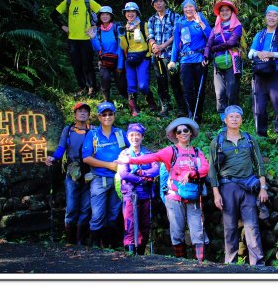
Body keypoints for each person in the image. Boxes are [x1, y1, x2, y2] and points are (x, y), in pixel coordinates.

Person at [115, 117, 209, 262]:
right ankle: (181, 264)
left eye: (186, 130)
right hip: (174, 197)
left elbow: (205, 168)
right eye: (179, 131)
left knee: (198, 231)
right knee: (177, 232)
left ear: (190, 133)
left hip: (193, 197)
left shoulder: (197, 152)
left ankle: (201, 265)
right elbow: (152, 157)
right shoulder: (171, 151)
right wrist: (131, 160)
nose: (183, 133)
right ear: (175, 135)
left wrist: (190, 174)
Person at [208, 105, 268, 266]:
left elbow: (259, 164)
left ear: (242, 120)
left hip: (248, 186)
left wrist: (263, 188)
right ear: (225, 120)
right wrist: (216, 194)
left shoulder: (248, 139)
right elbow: (212, 170)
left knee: (252, 225)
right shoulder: (218, 141)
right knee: (229, 227)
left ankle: (258, 263)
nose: (234, 119)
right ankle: (230, 263)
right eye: (231, 117)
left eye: (237, 117)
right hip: (227, 187)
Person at [45, 102, 95, 245]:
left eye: (86, 111)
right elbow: (61, 148)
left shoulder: (93, 130)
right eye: (80, 111)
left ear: (89, 115)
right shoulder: (68, 130)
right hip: (72, 171)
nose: (83, 113)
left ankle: (80, 240)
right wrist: (53, 158)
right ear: (74, 114)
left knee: (86, 207)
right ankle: (70, 240)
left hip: (89, 171)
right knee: (72, 206)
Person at [81, 101, 129, 247]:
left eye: (110, 114)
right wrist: (108, 165)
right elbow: (86, 158)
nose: (107, 117)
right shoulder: (92, 135)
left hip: (118, 179)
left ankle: (110, 246)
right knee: (98, 215)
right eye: (104, 114)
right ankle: (95, 246)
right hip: (98, 179)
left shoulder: (121, 133)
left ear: (114, 115)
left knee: (114, 214)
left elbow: (133, 150)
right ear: (99, 117)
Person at [248, 5, 278, 149]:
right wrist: (259, 54)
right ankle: (261, 138)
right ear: (265, 17)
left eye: (275, 15)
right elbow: (250, 54)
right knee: (259, 108)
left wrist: (271, 54)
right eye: (269, 14)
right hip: (260, 76)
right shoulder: (259, 35)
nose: (271, 17)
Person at [52, 0, 101, 98]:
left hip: (86, 39)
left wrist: (95, 26)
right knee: (76, 65)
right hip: (72, 39)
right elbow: (53, 15)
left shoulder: (88, 2)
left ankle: (92, 88)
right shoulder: (67, 2)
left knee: (88, 64)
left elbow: (104, 14)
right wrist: (62, 26)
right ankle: (82, 87)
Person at [117, 123, 159, 254]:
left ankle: (141, 252)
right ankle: (130, 251)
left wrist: (141, 173)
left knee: (145, 225)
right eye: (131, 135)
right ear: (127, 136)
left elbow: (156, 169)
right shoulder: (124, 153)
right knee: (130, 223)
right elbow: (123, 173)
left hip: (146, 194)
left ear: (142, 136)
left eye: (137, 135)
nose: (134, 137)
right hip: (130, 194)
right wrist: (141, 179)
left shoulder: (148, 153)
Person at [168, 0, 212, 123]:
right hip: (185, 60)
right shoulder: (180, 22)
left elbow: (210, 36)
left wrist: (200, 23)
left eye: (191, 7)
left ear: (195, 8)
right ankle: (190, 114)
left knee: (200, 89)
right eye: (186, 7)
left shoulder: (201, 18)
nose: (188, 9)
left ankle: (198, 116)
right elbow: (176, 43)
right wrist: (173, 60)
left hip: (200, 60)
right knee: (187, 89)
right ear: (183, 9)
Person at [204, 0, 244, 124]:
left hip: (233, 61)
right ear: (219, 13)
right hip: (218, 62)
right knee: (219, 93)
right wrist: (206, 56)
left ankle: (234, 121)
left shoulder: (237, 26)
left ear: (232, 12)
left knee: (232, 92)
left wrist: (214, 49)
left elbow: (231, 42)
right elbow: (209, 43)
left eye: (227, 10)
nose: (224, 12)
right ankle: (223, 121)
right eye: (222, 10)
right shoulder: (216, 28)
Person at [147, 0, 187, 116]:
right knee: (160, 81)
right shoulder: (152, 19)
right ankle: (165, 106)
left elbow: (176, 35)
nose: (158, 4)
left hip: (171, 55)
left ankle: (181, 108)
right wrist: (154, 46)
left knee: (174, 81)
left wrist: (162, 47)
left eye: (160, 1)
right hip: (157, 55)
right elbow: (150, 35)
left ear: (165, 2)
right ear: (153, 5)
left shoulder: (175, 16)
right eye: (155, 2)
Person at [119, 2, 156, 116]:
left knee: (143, 85)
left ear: (137, 13)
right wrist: (121, 36)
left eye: (133, 12)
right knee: (131, 86)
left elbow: (149, 39)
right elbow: (124, 47)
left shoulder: (143, 25)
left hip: (143, 57)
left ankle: (151, 103)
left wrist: (150, 54)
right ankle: (134, 108)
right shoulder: (123, 28)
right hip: (130, 58)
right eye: (128, 12)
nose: (130, 14)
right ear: (125, 14)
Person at [87, 6, 127, 101]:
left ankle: (126, 101)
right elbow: (98, 49)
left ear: (111, 16)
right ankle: (106, 101)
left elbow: (121, 47)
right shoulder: (97, 30)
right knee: (105, 79)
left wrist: (120, 65)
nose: (105, 16)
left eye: (107, 14)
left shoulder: (117, 28)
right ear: (99, 17)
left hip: (117, 59)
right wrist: (93, 38)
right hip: (104, 61)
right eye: (102, 14)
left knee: (121, 84)